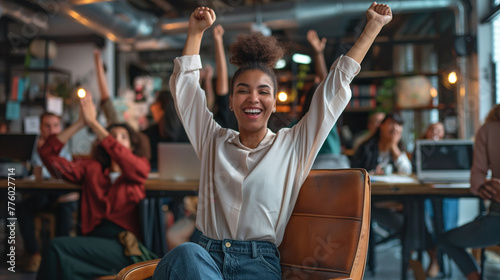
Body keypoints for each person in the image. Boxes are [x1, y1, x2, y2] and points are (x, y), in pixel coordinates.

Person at [152, 3, 392, 279]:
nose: (253, 98)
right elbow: (186, 93)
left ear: (274, 103)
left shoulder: (293, 145)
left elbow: (334, 90)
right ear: (231, 101)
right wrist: (195, 32)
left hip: (258, 265)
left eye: (263, 91)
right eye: (243, 91)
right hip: (206, 260)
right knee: (183, 254)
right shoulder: (212, 140)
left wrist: (372, 27)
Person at [36, 93, 152, 280]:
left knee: (55, 248)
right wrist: (81, 123)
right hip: (93, 241)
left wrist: (95, 124)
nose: (116, 141)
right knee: (62, 261)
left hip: (125, 246)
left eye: (123, 137)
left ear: (131, 146)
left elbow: (133, 165)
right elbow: (48, 154)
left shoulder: (138, 169)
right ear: (103, 144)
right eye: (111, 137)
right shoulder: (92, 169)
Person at [440, 104, 500, 280]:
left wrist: (483, 185)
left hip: (497, 218)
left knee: (446, 240)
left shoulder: (488, 129)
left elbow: (476, 178)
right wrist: (483, 185)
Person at [18, 112, 79, 273]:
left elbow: (71, 174)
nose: (52, 129)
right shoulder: (32, 148)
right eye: (47, 125)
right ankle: (34, 254)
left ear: (60, 127)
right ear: (40, 128)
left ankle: (60, 256)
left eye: (55, 125)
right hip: (40, 193)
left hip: (60, 193)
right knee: (22, 207)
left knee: (65, 208)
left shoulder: (64, 148)